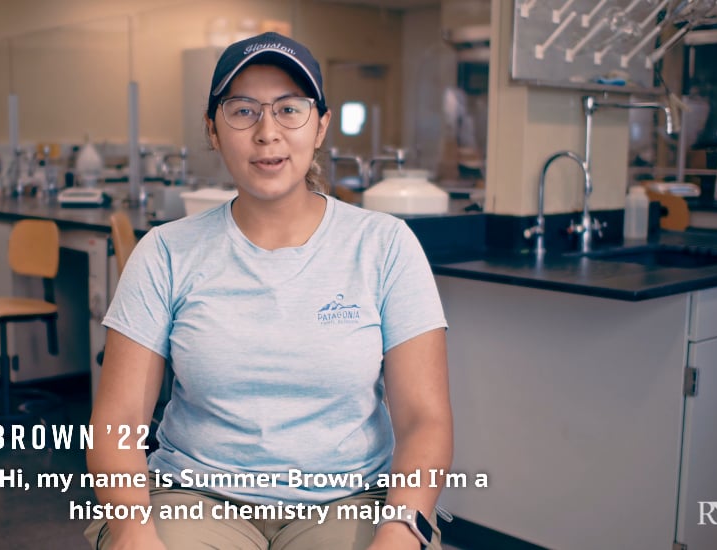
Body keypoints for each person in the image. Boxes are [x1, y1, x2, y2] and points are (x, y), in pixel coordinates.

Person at [86, 31, 451, 550]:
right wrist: (130, 526)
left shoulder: (385, 246)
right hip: (197, 496)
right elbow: (118, 421)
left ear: (321, 126)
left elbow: (425, 420)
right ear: (213, 130)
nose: (267, 133)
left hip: (347, 498)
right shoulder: (167, 252)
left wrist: (400, 527)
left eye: (289, 109)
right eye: (242, 111)